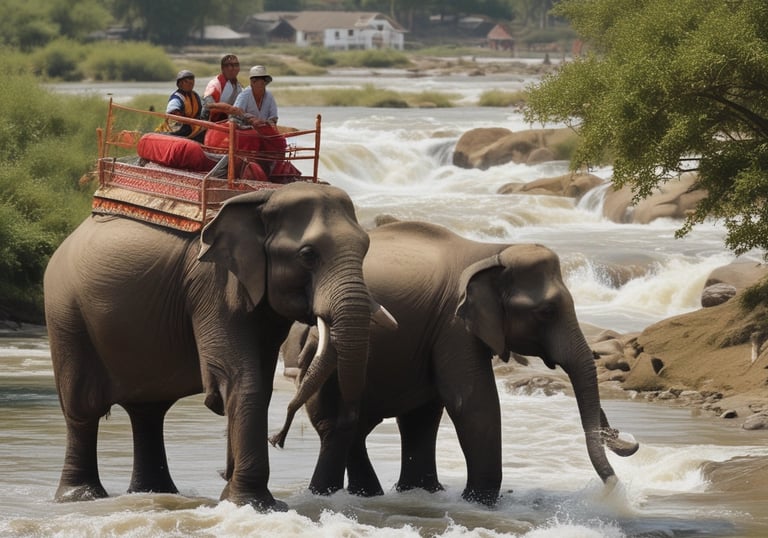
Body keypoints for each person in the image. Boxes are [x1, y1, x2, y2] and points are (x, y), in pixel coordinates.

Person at [157, 70, 205, 142]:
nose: (191, 83)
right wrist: (189, 121)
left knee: (205, 128)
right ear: (180, 83)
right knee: (187, 129)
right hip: (177, 127)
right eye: (187, 81)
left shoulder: (195, 95)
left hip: (193, 125)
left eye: (192, 81)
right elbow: (172, 113)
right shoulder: (176, 98)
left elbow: (202, 110)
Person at [201, 54, 244, 122]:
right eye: (230, 65)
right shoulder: (214, 84)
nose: (234, 68)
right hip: (211, 121)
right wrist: (227, 108)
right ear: (223, 68)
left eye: (236, 65)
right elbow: (208, 104)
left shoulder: (239, 86)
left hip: (230, 121)